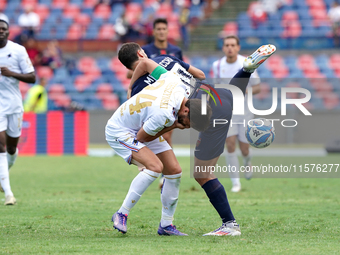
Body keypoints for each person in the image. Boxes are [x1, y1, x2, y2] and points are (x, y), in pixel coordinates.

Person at [122, 41, 276, 235]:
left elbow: (150, 125)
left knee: (201, 173)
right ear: (141, 52)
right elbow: (200, 75)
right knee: (229, 97)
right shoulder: (165, 59)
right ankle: (244, 71)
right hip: (216, 93)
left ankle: (230, 225)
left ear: (127, 67)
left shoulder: (138, 90)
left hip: (208, 115)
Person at [106, 43, 212, 235]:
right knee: (155, 167)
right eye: (188, 123)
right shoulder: (165, 116)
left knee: (174, 171)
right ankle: (121, 213)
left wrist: (130, 90)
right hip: (121, 131)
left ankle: (166, 225)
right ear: (186, 110)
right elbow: (141, 139)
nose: (186, 127)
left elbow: (145, 63)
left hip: (142, 125)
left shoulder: (175, 82)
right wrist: (173, 126)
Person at [211, 35, 261, 193]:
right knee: (230, 144)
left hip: (245, 112)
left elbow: (258, 88)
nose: (230, 48)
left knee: (245, 148)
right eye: (227, 45)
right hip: (227, 112)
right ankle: (235, 182)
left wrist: (244, 91)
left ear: (238, 47)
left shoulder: (247, 64)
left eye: (233, 45)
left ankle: (247, 161)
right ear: (223, 47)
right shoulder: (217, 65)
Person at [0, 19, 36, 205]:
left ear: (8, 32)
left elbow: (32, 77)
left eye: (3, 29)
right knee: (1, 146)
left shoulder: (18, 51)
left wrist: (11, 73)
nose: (0, 31)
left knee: (12, 148)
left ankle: (4, 173)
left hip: (14, 105)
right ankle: (8, 194)